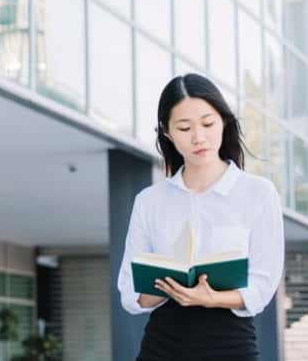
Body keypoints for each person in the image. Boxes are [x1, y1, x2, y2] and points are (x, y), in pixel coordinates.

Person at [117, 74, 285, 361]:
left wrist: (211, 298)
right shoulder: (149, 201)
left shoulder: (258, 193)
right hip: (162, 346)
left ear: (223, 122)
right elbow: (131, 293)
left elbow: (262, 286)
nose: (199, 137)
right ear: (167, 133)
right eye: (184, 128)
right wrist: (169, 287)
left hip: (230, 345)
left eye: (208, 124)